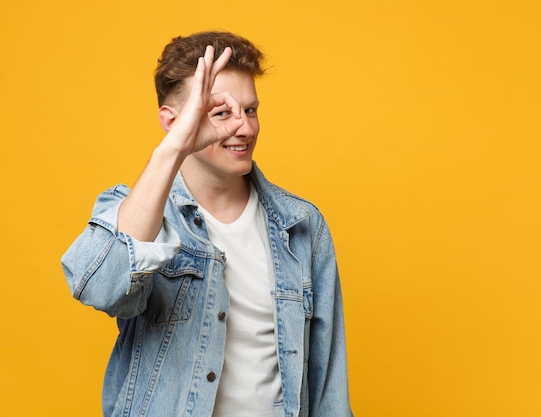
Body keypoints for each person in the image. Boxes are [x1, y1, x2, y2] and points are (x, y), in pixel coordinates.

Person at [62, 31, 353, 417]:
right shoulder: (138, 213)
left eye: (250, 110)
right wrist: (175, 147)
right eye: (220, 113)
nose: (245, 129)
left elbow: (328, 384)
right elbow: (99, 288)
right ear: (172, 121)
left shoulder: (300, 225)